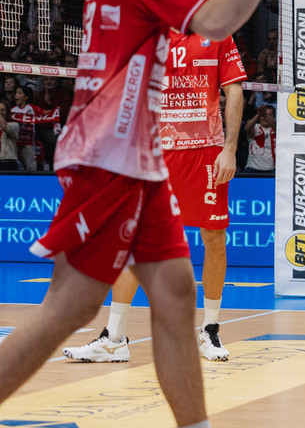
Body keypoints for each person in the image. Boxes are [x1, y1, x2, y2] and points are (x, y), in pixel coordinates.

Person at [0, 0, 303, 427]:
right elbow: (215, 19)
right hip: (112, 153)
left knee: (174, 293)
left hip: (140, 158)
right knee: (72, 308)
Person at [61, 29, 246, 363]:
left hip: (204, 151)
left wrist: (230, 150)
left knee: (214, 239)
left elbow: (233, 90)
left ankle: (210, 330)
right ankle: (115, 338)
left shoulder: (218, 33)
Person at [244, 104, 276, 172]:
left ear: (274, 117)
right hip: (252, 169)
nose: (264, 117)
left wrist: (264, 115)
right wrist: (258, 114)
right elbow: (247, 128)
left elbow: (276, 127)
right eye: (263, 115)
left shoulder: (276, 129)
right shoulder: (255, 127)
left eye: (268, 115)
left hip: (271, 170)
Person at [0, 100, 20, 171]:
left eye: (3, 110)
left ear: (8, 112)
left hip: (7, 162)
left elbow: (5, 127)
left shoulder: (14, 125)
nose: (1, 112)